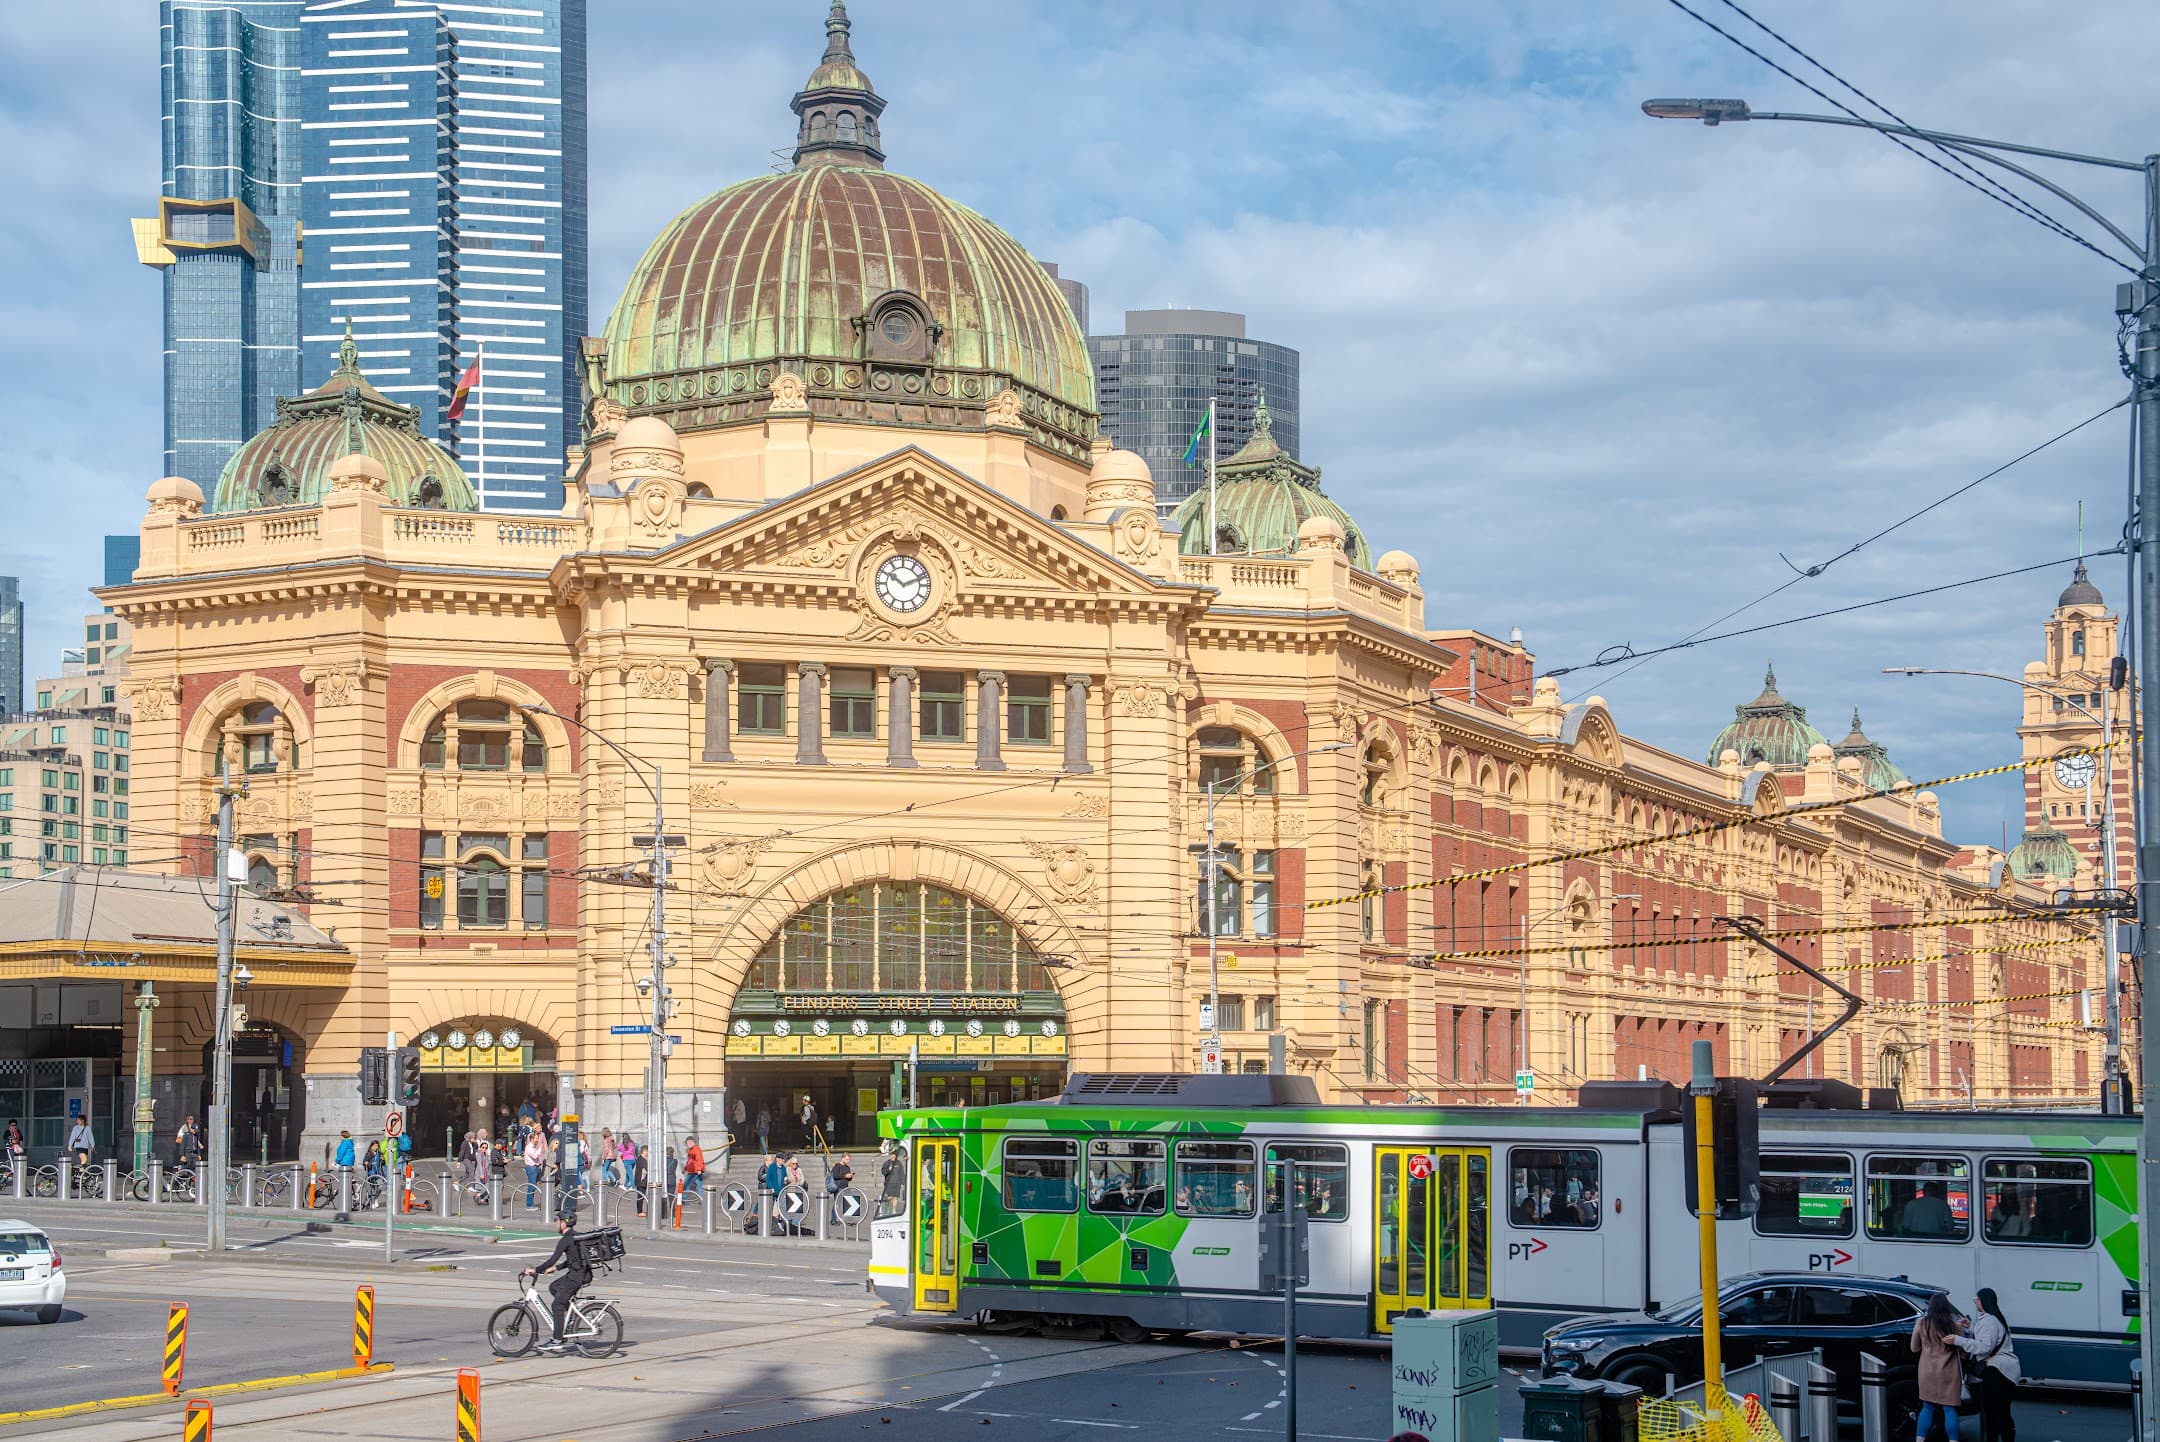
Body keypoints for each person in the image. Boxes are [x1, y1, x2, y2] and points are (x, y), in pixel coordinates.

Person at [1954, 1287, 2020, 1442]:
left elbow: (1984, 1347)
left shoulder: (1989, 1320)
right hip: (2006, 1371)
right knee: (2000, 1411)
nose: (1975, 1302)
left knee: (1995, 1412)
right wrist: (1970, 1326)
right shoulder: (1996, 1318)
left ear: (1983, 1301)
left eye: (1976, 1300)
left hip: (1998, 1371)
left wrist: (1958, 1340)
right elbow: (1989, 1338)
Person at [528, 1205, 594, 1355]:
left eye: (558, 1221)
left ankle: (557, 1340)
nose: (557, 1224)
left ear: (563, 1223)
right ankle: (569, 1318)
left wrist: (535, 1270)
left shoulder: (566, 1239)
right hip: (580, 1274)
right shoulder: (574, 1236)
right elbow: (573, 1260)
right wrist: (556, 1269)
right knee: (554, 1287)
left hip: (576, 1277)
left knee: (557, 1304)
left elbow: (552, 1259)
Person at [1911, 1291, 1965, 1442]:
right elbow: (1963, 1353)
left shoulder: (1922, 1323)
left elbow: (1914, 1348)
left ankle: (1920, 1439)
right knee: (1950, 1409)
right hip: (1950, 1372)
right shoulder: (1954, 1325)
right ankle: (1953, 1440)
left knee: (1927, 1407)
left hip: (1927, 1371)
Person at [522, 1127, 547, 1210]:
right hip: (531, 1168)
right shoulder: (529, 1147)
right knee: (531, 1187)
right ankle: (529, 1205)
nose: (537, 1140)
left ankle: (530, 1204)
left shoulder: (533, 1147)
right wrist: (540, 1148)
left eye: (538, 1138)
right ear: (532, 1139)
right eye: (536, 1138)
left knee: (533, 1186)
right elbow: (535, 1155)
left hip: (535, 1167)